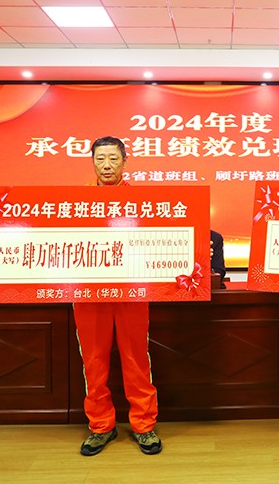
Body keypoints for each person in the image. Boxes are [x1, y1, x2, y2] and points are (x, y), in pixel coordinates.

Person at [75, 136, 162, 457]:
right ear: (92, 162)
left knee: (136, 358)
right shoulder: (76, 201)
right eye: (100, 159)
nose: (107, 165)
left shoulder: (142, 201)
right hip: (88, 291)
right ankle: (100, 426)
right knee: (93, 361)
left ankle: (144, 425)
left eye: (113, 158)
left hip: (132, 290)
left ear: (125, 162)